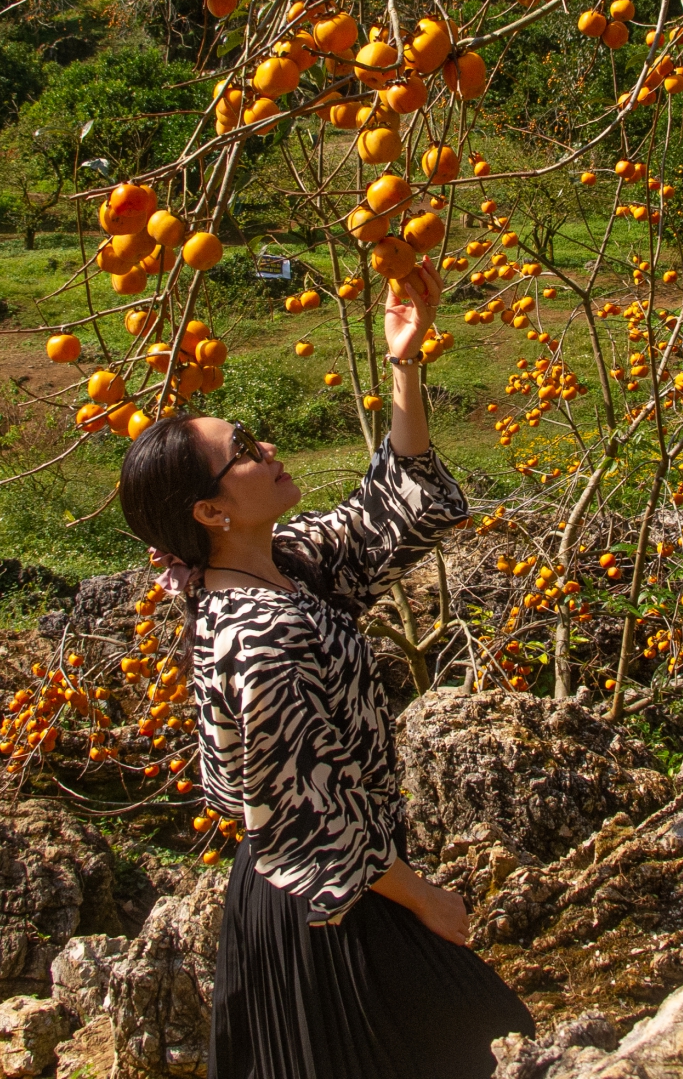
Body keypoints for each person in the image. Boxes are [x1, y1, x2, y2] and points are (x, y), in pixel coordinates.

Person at [118, 262, 534, 1079]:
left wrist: (404, 362)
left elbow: (399, 512)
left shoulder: (288, 565)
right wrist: (425, 899)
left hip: (347, 884)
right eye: (242, 453)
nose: (266, 449)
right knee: (484, 1048)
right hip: (324, 904)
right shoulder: (255, 635)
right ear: (212, 512)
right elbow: (304, 814)